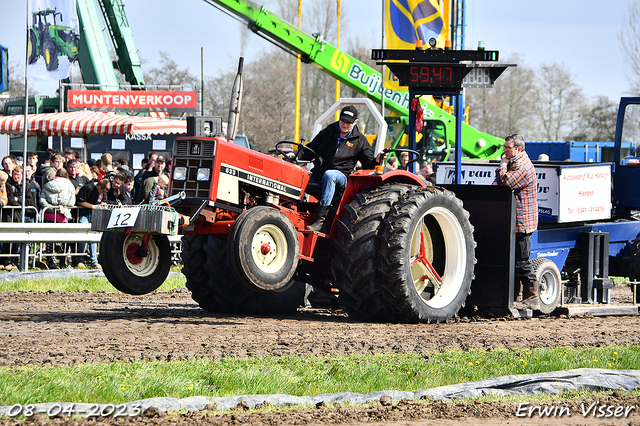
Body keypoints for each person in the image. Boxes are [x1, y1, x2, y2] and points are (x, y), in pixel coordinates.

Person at [295, 105, 386, 231]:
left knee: (330, 175)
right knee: (299, 176)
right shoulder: (328, 132)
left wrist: (377, 160)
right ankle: (294, 208)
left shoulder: (360, 141)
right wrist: (294, 155)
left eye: (348, 123)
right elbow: (310, 149)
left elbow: (368, 163)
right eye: (343, 121)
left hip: (341, 177)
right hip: (319, 175)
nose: (344, 125)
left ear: (355, 122)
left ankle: (320, 221)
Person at [493, 134, 539, 310]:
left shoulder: (522, 166)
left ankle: (533, 297)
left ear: (518, 149)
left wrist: (502, 165)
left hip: (522, 221)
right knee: (513, 259)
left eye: (508, 148)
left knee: (522, 260)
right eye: (504, 147)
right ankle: (515, 295)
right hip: (515, 220)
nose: (504, 150)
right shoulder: (516, 163)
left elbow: (505, 182)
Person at [40, 168, 76, 269]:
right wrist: (62, 207)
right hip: (62, 216)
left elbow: (42, 200)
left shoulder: (48, 184)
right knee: (62, 238)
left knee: (49, 240)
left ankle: (50, 261)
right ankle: (61, 259)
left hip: (48, 215)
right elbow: (71, 202)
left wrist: (51, 208)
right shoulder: (69, 185)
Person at [76, 178, 110, 269]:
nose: (101, 193)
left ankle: (94, 262)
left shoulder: (98, 191)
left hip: (93, 215)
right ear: (99, 186)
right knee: (84, 236)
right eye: (102, 191)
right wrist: (93, 207)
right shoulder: (88, 188)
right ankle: (80, 260)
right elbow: (80, 201)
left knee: (93, 238)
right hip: (84, 214)